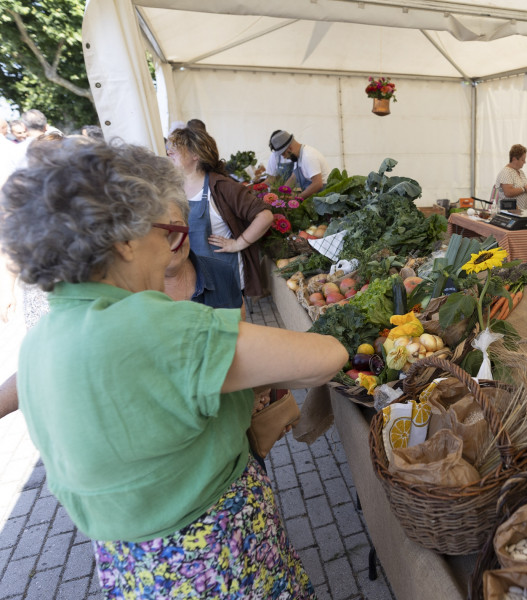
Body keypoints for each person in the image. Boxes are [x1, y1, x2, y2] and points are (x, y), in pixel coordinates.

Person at [0, 137, 348, 598]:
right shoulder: (161, 328)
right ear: (125, 239)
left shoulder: (41, 340)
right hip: (219, 559)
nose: (169, 248)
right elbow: (327, 357)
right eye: (161, 232)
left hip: (131, 568)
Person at [167, 126, 274, 298]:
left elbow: (265, 216)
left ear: (196, 155)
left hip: (223, 279)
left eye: (176, 149)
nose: (169, 153)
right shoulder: (174, 188)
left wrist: (238, 243)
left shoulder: (221, 186)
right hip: (190, 279)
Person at [163, 196, 244, 310]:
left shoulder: (222, 272)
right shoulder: (131, 296)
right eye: (155, 233)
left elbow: (238, 323)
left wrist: (239, 243)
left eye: (176, 227)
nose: (170, 241)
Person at [266, 130, 330, 200]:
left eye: (283, 154)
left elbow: (317, 184)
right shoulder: (298, 157)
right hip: (313, 196)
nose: (284, 157)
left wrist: (296, 198)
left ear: (289, 148)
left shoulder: (308, 156)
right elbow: (293, 177)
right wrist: (281, 193)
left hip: (323, 197)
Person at [495, 144, 527, 210]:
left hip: (521, 211)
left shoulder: (521, 172)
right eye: (522, 160)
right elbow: (508, 192)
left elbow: (524, 188)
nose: (525, 162)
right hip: (510, 213)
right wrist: (524, 189)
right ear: (514, 159)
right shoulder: (506, 172)